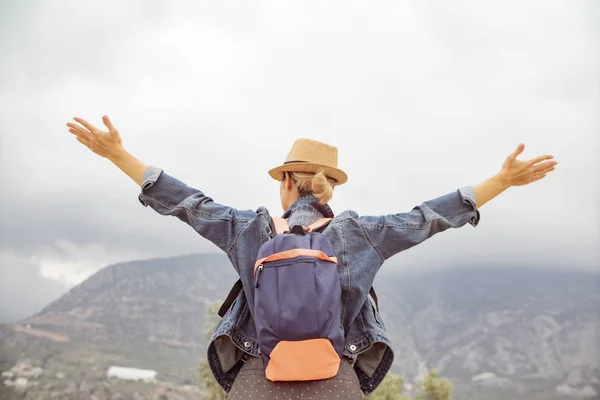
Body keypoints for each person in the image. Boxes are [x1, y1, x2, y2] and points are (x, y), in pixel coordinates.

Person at [66, 115, 557, 399]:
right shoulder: (363, 233)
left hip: (262, 376)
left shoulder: (249, 228)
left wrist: (117, 155)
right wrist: (502, 182)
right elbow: (428, 216)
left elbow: (188, 203)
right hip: (334, 377)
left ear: (286, 181)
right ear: (329, 186)